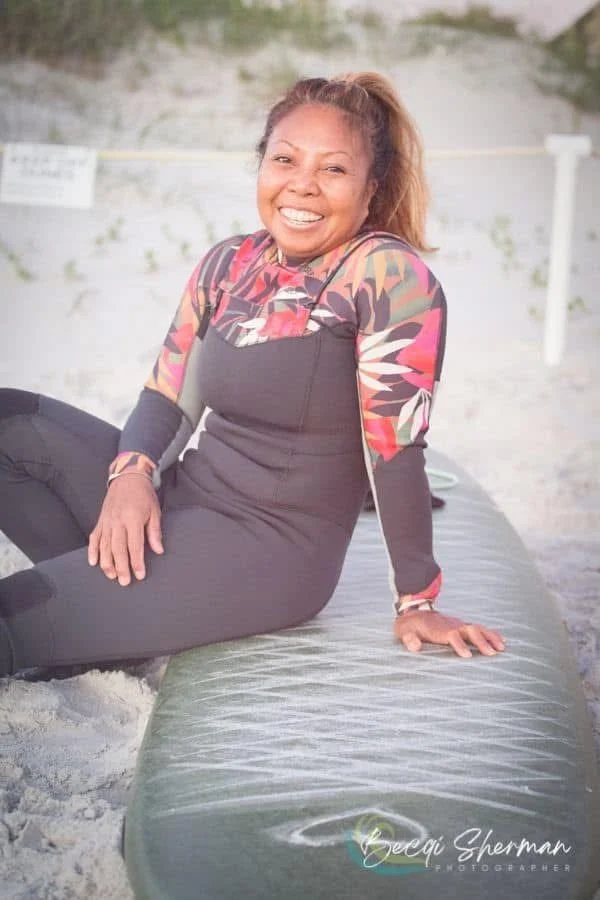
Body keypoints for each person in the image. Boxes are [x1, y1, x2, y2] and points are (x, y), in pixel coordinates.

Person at [0, 72, 505, 677]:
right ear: (262, 165)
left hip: (268, 551)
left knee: (13, 614)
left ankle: (100, 611)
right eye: (285, 159)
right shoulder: (229, 261)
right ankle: (113, 616)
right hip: (182, 499)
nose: (303, 184)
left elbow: (395, 450)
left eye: (333, 169)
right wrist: (131, 475)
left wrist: (417, 601)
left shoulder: (387, 278)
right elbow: (166, 396)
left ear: (371, 190)